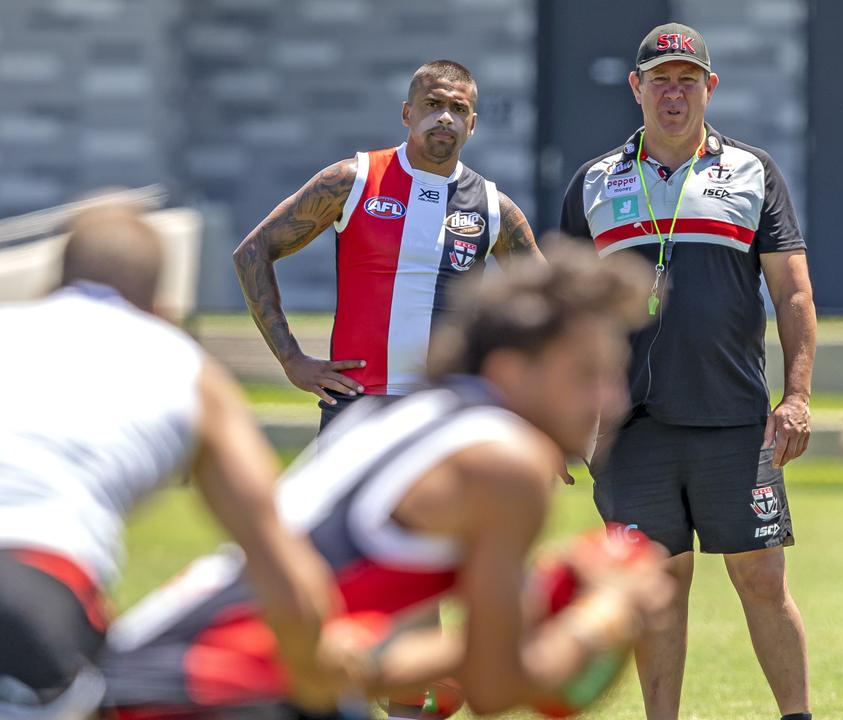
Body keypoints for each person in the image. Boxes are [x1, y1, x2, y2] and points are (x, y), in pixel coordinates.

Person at [100, 246, 673, 719]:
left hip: (147, 674)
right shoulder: (509, 463)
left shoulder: (416, 416)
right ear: (510, 370)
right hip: (212, 694)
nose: (611, 401)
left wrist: (529, 615)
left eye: (613, 376)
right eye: (585, 376)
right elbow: (499, 691)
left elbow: (359, 658)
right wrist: (608, 614)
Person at [559, 22, 817, 720]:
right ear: (636, 87)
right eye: (661, 79)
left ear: (710, 87)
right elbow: (565, 310)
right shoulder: (594, 181)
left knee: (762, 577)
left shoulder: (752, 170)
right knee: (655, 588)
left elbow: (793, 292)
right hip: (630, 429)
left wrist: (795, 398)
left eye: (688, 79)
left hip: (735, 421)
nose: (674, 93)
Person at [0, 203, 339, 718]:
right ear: (161, 307)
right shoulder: (188, 368)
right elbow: (282, 566)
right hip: (34, 594)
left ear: (52, 285)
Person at [233, 59, 544, 432]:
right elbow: (252, 252)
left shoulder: (494, 207)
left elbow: (551, 306)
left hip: (445, 412)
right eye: (433, 105)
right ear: (407, 113)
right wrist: (291, 359)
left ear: (472, 124)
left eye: (458, 109)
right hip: (356, 407)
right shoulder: (353, 179)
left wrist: (537, 412)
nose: (446, 118)